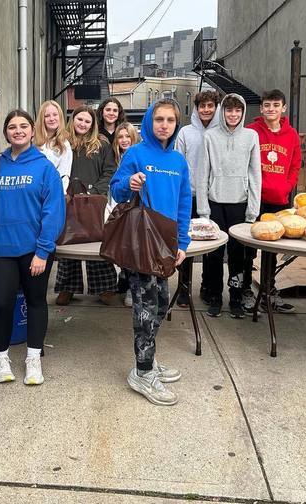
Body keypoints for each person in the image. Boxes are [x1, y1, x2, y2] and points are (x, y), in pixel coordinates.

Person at [110, 99, 191, 406]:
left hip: (167, 243)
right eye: (159, 119)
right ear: (149, 121)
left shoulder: (179, 161)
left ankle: (149, 357)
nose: (164, 125)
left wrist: (182, 243)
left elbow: (185, 204)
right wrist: (129, 183)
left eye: (170, 120)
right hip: (141, 242)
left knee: (158, 304)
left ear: (176, 124)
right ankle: (143, 371)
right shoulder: (136, 153)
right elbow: (116, 190)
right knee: (145, 308)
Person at [0, 110, 65, 386]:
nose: (18, 131)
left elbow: (53, 212)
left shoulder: (44, 167)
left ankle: (33, 359)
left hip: (34, 252)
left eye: (23, 126)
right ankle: (1, 359)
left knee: (35, 303)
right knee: (2, 305)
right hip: (2, 250)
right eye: (12, 127)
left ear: (33, 131)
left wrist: (43, 251)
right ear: (5, 133)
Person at [196, 94, 261, 319]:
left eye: (237, 110)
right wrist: (203, 210)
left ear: (243, 112)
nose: (233, 115)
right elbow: (203, 173)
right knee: (213, 254)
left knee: (238, 255)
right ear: (222, 112)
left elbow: (255, 175)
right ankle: (215, 295)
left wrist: (253, 210)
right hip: (215, 203)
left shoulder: (251, 136)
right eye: (228, 110)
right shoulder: (210, 137)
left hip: (240, 204)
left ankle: (235, 297)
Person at [54, 106, 120, 306]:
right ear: (72, 120)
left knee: (95, 240)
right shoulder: (62, 142)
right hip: (68, 198)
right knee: (69, 239)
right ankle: (67, 286)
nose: (82, 124)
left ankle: (105, 286)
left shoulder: (102, 144)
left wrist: (95, 191)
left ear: (93, 124)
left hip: (93, 199)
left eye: (87, 121)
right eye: (79, 119)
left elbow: (109, 170)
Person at [244, 89, 302, 313]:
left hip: (279, 200)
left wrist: (287, 187)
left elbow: (295, 165)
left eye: (276, 105)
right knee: (248, 248)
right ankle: (246, 290)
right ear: (261, 108)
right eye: (267, 105)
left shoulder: (292, 135)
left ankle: (269, 290)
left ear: (283, 108)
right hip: (254, 199)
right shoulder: (252, 131)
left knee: (271, 250)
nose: (271, 109)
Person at [175, 90, 218, 309]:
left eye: (210, 106)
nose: (206, 110)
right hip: (190, 195)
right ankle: (183, 287)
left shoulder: (221, 131)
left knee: (211, 246)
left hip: (213, 196)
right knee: (187, 243)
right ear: (196, 108)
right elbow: (179, 163)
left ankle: (208, 287)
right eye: (203, 106)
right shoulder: (185, 132)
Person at [110, 121, 141, 307]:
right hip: (114, 206)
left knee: (132, 247)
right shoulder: (112, 157)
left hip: (133, 208)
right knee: (119, 245)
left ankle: (131, 286)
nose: (123, 140)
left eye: (127, 136)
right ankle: (124, 274)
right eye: (120, 137)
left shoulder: (137, 156)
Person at [35, 99, 72, 190]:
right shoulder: (32, 140)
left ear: (60, 117)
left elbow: (64, 174)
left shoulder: (64, 144)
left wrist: (58, 195)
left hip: (53, 191)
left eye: (55, 115)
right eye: (47, 116)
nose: (52, 119)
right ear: (41, 119)